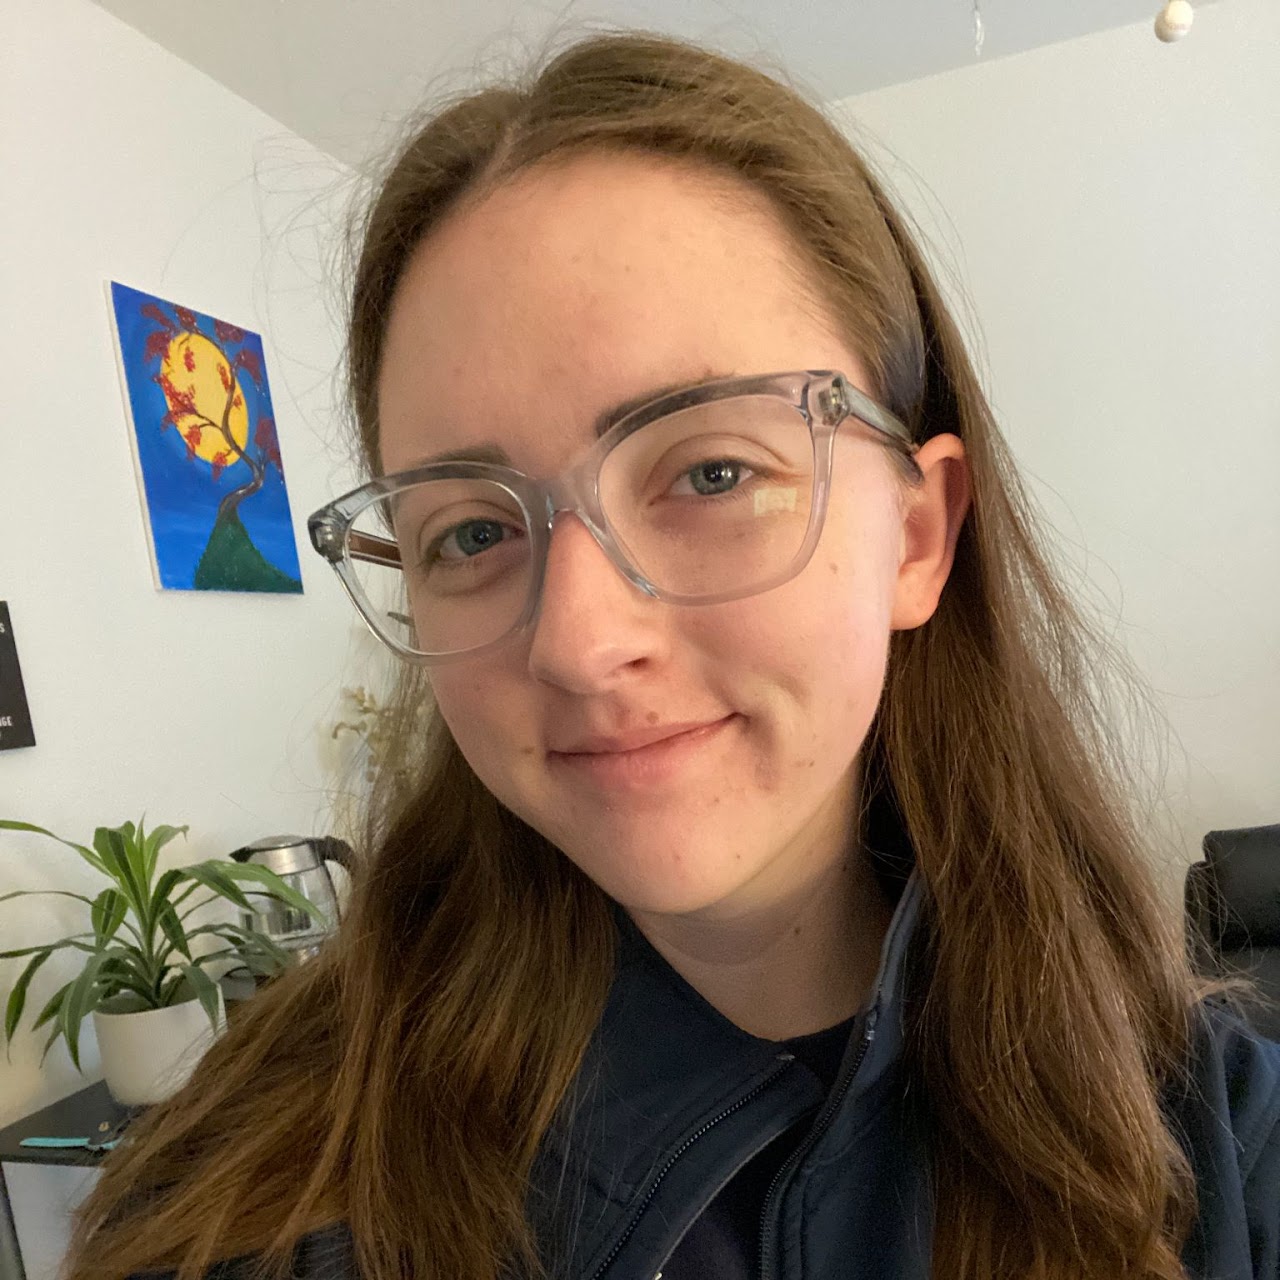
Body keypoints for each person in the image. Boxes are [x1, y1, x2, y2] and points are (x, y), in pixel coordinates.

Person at [67, 29, 1277, 1280]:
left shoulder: (1215, 1142)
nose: (581, 644)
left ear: (918, 535)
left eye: (710, 471)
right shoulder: (256, 1201)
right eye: (472, 529)